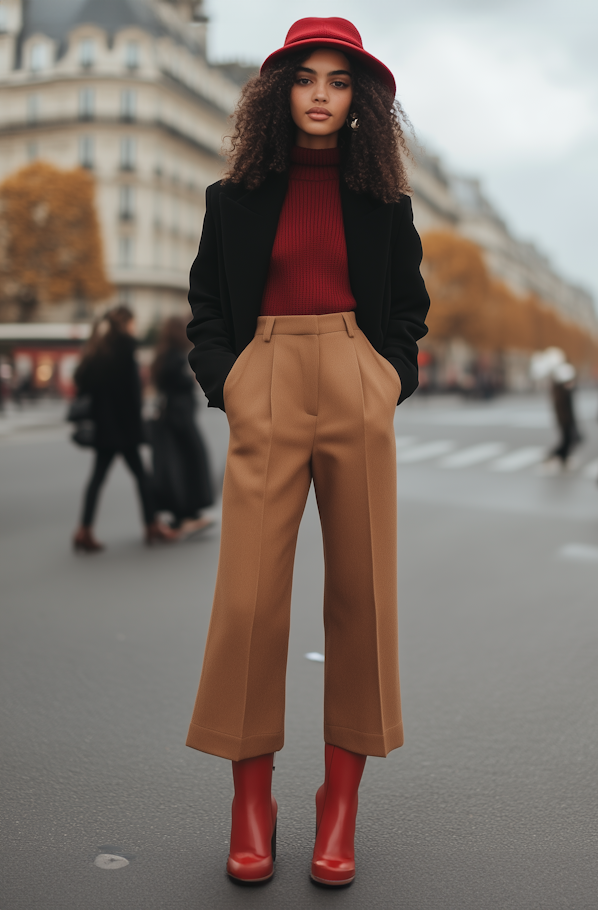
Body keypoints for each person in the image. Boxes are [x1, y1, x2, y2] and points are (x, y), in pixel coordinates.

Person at [185, 17, 430, 887]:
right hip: (267, 379)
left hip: (356, 385)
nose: (320, 93)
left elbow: (409, 314)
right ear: (278, 93)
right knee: (250, 604)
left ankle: (340, 803)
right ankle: (253, 804)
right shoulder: (232, 200)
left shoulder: (387, 206)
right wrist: (233, 383)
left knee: (362, 599)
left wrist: (387, 378)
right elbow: (207, 315)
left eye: (336, 80)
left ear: (359, 100)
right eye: (304, 77)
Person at [72, 306, 175, 552]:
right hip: (125, 428)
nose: (135, 328)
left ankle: (84, 530)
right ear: (126, 324)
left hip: (104, 427)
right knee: (142, 477)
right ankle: (152, 525)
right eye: (133, 323)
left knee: (97, 479)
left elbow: (82, 385)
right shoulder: (127, 347)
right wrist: (139, 426)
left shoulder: (97, 350)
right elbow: (132, 394)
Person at [149, 316, 215, 537]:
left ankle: (183, 515)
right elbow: (182, 386)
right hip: (181, 419)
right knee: (192, 462)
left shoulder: (161, 356)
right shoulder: (175, 359)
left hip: (171, 418)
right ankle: (188, 515)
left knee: (176, 466)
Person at [547, 362, 581, 467]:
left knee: (567, 440)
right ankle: (556, 455)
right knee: (567, 440)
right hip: (565, 420)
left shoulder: (559, 389)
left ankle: (562, 457)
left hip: (565, 419)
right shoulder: (561, 390)